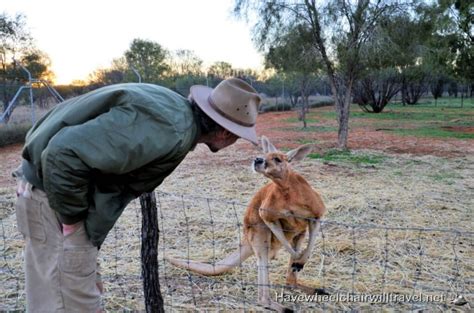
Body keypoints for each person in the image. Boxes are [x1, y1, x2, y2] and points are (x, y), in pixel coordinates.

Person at [13, 77, 261, 312]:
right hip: (55, 205)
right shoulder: (171, 131)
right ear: (225, 133)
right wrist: (72, 222)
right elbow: (62, 154)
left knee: (60, 295)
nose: (236, 141)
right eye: (238, 136)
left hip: (49, 197)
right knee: (68, 303)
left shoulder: (172, 109)